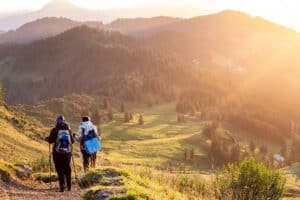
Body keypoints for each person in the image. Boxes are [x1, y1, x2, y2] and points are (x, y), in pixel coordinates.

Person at [46, 115, 74, 192]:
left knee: (59, 168)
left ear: (57, 121)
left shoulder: (55, 130)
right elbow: (72, 141)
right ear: (64, 121)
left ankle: (62, 186)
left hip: (57, 153)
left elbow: (50, 140)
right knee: (67, 168)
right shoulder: (69, 130)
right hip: (67, 153)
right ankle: (69, 186)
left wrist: (47, 139)